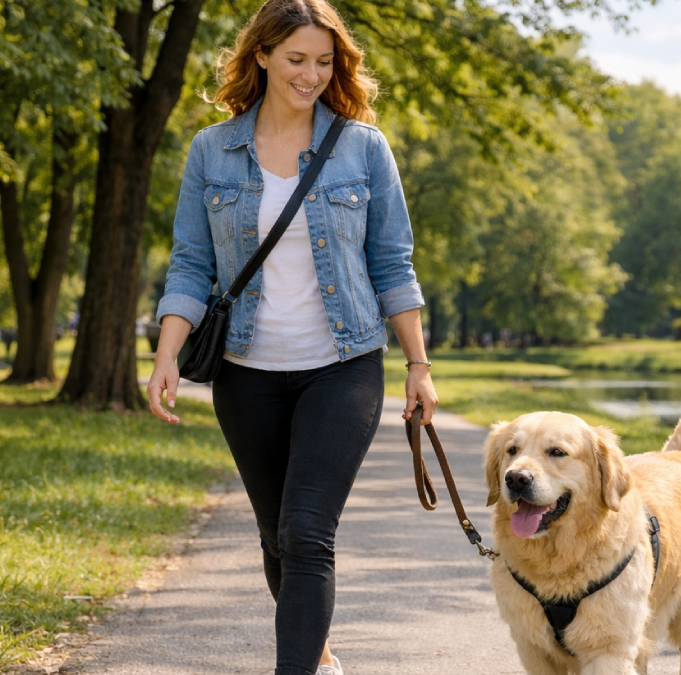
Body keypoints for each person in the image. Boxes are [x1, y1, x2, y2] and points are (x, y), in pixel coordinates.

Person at [146, 2, 436, 673]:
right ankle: (320, 656)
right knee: (278, 536)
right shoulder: (212, 149)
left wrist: (418, 364)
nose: (311, 74)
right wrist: (166, 354)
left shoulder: (363, 148)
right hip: (245, 371)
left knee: (307, 530)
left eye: (325, 61)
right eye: (297, 59)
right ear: (262, 55)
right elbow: (190, 262)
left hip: (343, 364)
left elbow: (393, 263)